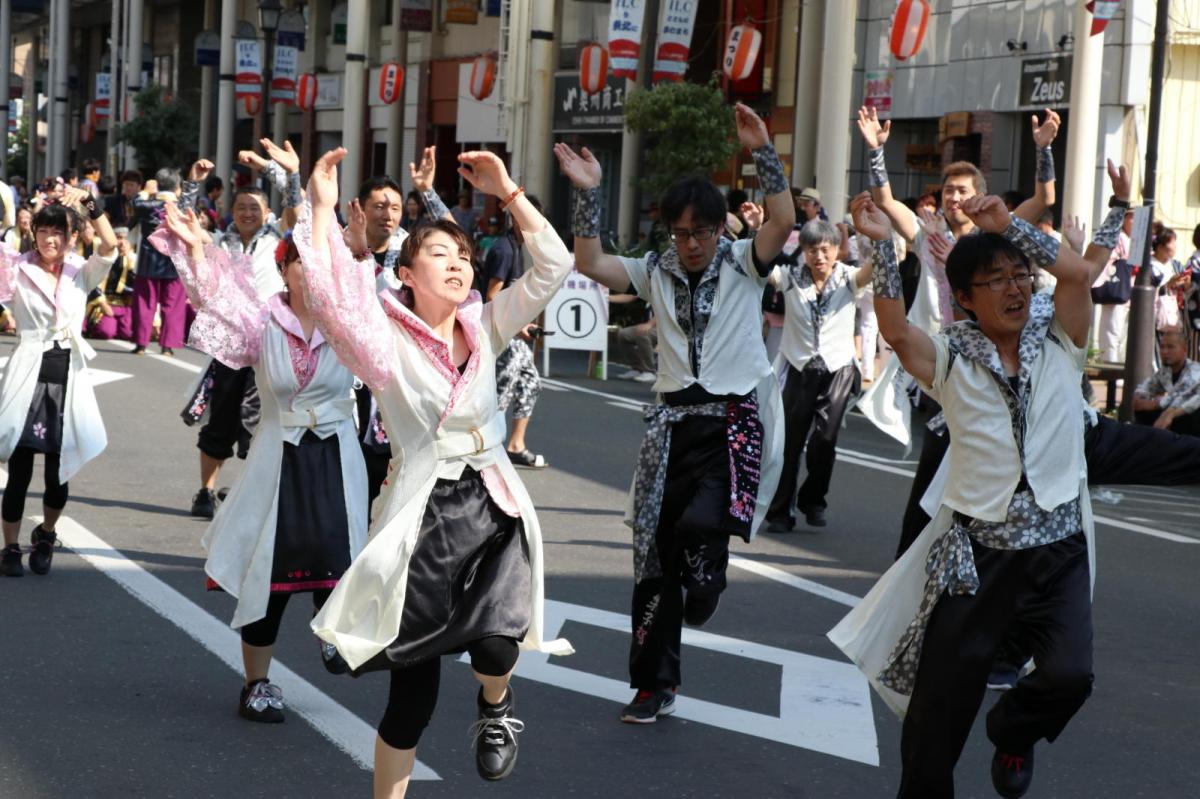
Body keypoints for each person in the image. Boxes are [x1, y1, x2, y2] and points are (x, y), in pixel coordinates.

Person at [298, 147, 573, 796]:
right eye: (440, 254)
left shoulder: (487, 324)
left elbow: (555, 264)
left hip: (493, 505)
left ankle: (496, 709)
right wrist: (318, 207)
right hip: (422, 517)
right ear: (407, 272)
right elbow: (331, 299)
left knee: (499, 647)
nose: (457, 264)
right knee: (411, 698)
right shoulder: (382, 336)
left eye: (463, 256)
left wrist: (510, 192)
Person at [832, 191, 1096, 799]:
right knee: (937, 716)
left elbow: (1078, 275)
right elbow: (895, 330)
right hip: (975, 560)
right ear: (965, 298)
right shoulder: (951, 357)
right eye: (994, 279)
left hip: (1057, 553)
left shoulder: (1060, 339)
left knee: (1070, 677)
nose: (1014, 288)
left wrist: (1012, 230)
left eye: (1019, 276)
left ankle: (1012, 730)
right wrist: (878, 241)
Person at [554, 102, 794, 724]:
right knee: (654, 552)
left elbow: (783, 219)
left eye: (700, 232)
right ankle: (652, 682)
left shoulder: (744, 262)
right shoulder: (657, 268)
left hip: (732, 423)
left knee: (698, 527)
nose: (689, 244)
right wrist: (589, 196)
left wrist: (763, 150)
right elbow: (591, 264)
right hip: (669, 427)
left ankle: (707, 578)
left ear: (719, 229)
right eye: (679, 233)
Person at [152, 203, 367, 721]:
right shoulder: (263, 320)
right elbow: (215, 300)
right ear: (286, 266)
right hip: (279, 459)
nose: (311, 274)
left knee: (342, 558)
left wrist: (357, 253)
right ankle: (257, 682)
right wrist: (197, 246)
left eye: (322, 265)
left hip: (337, 458)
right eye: (301, 263)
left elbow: (372, 296)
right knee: (268, 574)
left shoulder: (349, 320)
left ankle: (335, 634)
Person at [0, 188, 118, 576]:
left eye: (58, 232)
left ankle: (47, 533)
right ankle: (10, 547)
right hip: (26, 373)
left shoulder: (81, 270)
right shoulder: (16, 268)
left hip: (68, 377)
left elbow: (111, 243)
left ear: (69, 237)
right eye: (44, 230)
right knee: (18, 470)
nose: (51, 239)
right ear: (33, 233)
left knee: (58, 470)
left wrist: (88, 203)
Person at [179, 152, 295, 519]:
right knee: (220, 422)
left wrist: (275, 171)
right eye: (241, 206)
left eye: (255, 208)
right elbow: (181, 227)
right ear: (231, 209)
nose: (247, 213)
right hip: (228, 347)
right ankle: (205, 491)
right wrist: (191, 184)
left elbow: (299, 208)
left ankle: (251, 491)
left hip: (270, 347)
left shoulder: (280, 238)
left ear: (267, 213)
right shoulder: (219, 241)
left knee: (261, 423)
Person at [765, 219, 873, 531]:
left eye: (825, 250)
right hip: (799, 367)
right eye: (812, 250)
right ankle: (780, 510)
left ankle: (813, 500)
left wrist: (879, 239)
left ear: (837, 250)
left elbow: (871, 271)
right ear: (803, 251)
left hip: (838, 367)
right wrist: (759, 230)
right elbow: (758, 266)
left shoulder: (849, 278)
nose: (819, 257)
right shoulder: (790, 277)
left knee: (824, 440)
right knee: (790, 442)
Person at [483, 194, 550, 468]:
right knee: (501, 390)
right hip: (499, 331)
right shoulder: (504, 249)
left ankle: (515, 445)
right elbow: (491, 296)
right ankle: (487, 447)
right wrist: (518, 325)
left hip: (512, 330)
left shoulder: (518, 247)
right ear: (515, 219)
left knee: (529, 382)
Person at [130, 168, 195, 356]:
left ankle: (141, 344)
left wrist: (145, 191)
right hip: (175, 261)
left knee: (144, 302)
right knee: (173, 305)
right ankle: (167, 346)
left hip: (148, 260)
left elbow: (134, 202)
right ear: (177, 187)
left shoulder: (147, 204)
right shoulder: (181, 206)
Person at [1132, 329, 1200, 435]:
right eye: (1162, 347)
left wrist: (1157, 404)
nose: (1165, 352)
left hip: (1189, 418)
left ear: (1184, 349)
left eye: (1170, 347)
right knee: (1143, 410)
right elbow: (1146, 386)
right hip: (1172, 414)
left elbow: (1185, 395)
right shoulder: (1165, 372)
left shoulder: (1195, 370)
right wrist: (1139, 398)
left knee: (1189, 412)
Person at [84, 226, 136, 341]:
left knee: (128, 333)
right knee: (106, 332)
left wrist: (129, 258)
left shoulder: (132, 259)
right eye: (118, 238)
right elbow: (92, 282)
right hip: (103, 301)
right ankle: (93, 325)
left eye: (125, 238)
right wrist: (103, 304)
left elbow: (135, 284)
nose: (122, 242)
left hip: (122, 304)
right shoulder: (103, 257)